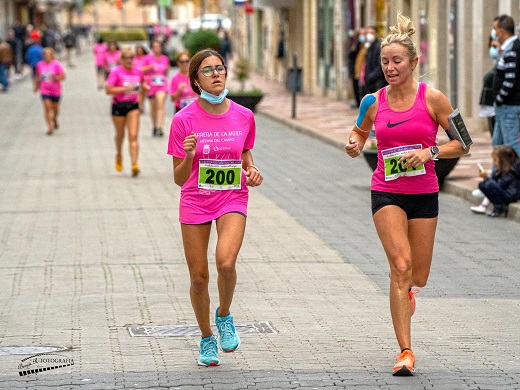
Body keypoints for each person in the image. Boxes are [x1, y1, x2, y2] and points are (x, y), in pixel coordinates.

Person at [344, 13, 469, 376]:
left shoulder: (434, 99)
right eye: (385, 62)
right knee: (400, 267)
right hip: (386, 191)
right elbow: (358, 133)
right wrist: (354, 145)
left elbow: (463, 143)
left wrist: (430, 152)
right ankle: (405, 351)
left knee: (418, 275)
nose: (390, 67)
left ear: (414, 62)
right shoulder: (373, 101)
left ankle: (409, 292)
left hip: (424, 192)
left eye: (397, 61)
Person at [167, 48, 263, 367]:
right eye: (207, 70)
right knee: (198, 278)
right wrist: (190, 156)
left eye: (219, 68)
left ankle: (224, 315)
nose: (216, 74)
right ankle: (207, 337)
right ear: (195, 80)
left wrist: (251, 171)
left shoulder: (244, 115)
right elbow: (179, 178)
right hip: (195, 199)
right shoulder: (183, 120)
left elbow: (245, 157)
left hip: (232, 197)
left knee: (225, 263)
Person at [105, 46, 148, 177]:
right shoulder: (116, 72)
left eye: (131, 58)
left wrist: (145, 89)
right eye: (127, 58)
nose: (129, 61)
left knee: (133, 135)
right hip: (118, 106)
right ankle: (118, 154)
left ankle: (134, 164)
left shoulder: (138, 71)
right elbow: (108, 90)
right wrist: (124, 89)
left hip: (133, 106)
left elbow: (142, 85)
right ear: (122, 59)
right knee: (120, 135)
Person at [491, 15, 520, 158]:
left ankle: (516, 178)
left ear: (501, 31)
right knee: (498, 146)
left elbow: (510, 80)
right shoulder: (508, 48)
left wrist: (499, 99)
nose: (494, 34)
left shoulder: (512, 50)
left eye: (495, 30)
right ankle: (496, 178)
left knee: (511, 146)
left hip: (508, 105)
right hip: (504, 106)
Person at [473, 146, 520, 217]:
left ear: (502, 160)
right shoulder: (501, 170)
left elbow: (499, 185)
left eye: (495, 160)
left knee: (489, 184)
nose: (494, 163)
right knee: (483, 184)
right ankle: (497, 204)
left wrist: (487, 178)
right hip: (506, 193)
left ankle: (500, 206)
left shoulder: (509, 172)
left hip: (511, 195)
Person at [34, 47, 66, 135]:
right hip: (44, 89)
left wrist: (56, 77)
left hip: (56, 90)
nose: (47, 56)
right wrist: (36, 86)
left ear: (52, 56)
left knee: (55, 109)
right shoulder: (40, 65)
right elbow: (37, 76)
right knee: (47, 108)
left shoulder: (56, 64)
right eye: (45, 55)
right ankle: (49, 127)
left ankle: (54, 118)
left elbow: (63, 77)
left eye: (49, 55)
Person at [142, 40, 169, 137]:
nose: (157, 48)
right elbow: (140, 70)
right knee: (153, 108)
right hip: (151, 85)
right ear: (152, 48)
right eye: (155, 46)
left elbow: (167, 69)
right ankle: (154, 126)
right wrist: (149, 67)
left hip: (162, 85)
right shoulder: (147, 59)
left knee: (160, 104)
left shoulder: (165, 58)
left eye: (159, 46)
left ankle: (160, 127)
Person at [169, 50, 197, 114]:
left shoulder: (195, 76)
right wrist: (179, 90)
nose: (185, 64)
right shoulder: (175, 78)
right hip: (181, 110)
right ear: (178, 63)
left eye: (187, 61)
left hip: (195, 110)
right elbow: (172, 99)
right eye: (182, 62)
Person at [364, 26, 388, 94]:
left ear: (376, 34)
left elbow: (380, 66)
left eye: (371, 33)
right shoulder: (370, 46)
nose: (369, 35)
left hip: (378, 82)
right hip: (371, 83)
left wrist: (370, 77)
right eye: (368, 33)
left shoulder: (379, 46)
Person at [354, 27, 368, 99]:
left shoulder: (367, 47)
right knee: (360, 91)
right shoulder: (359, 46)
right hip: (359, 73)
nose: (362, 36)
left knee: (362, 93)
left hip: (364, 74)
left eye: (363, 34)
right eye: (360, 34)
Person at [133, 44, 148, 112]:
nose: (139, 51)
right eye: (138, 50)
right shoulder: (134, 58)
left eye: (140, 50)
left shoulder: (146, 58)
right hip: (136, 78)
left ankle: (141, 104)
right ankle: (138, 104)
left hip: (144, 77)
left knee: (142, 92)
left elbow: (149, 67)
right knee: (137, 91)